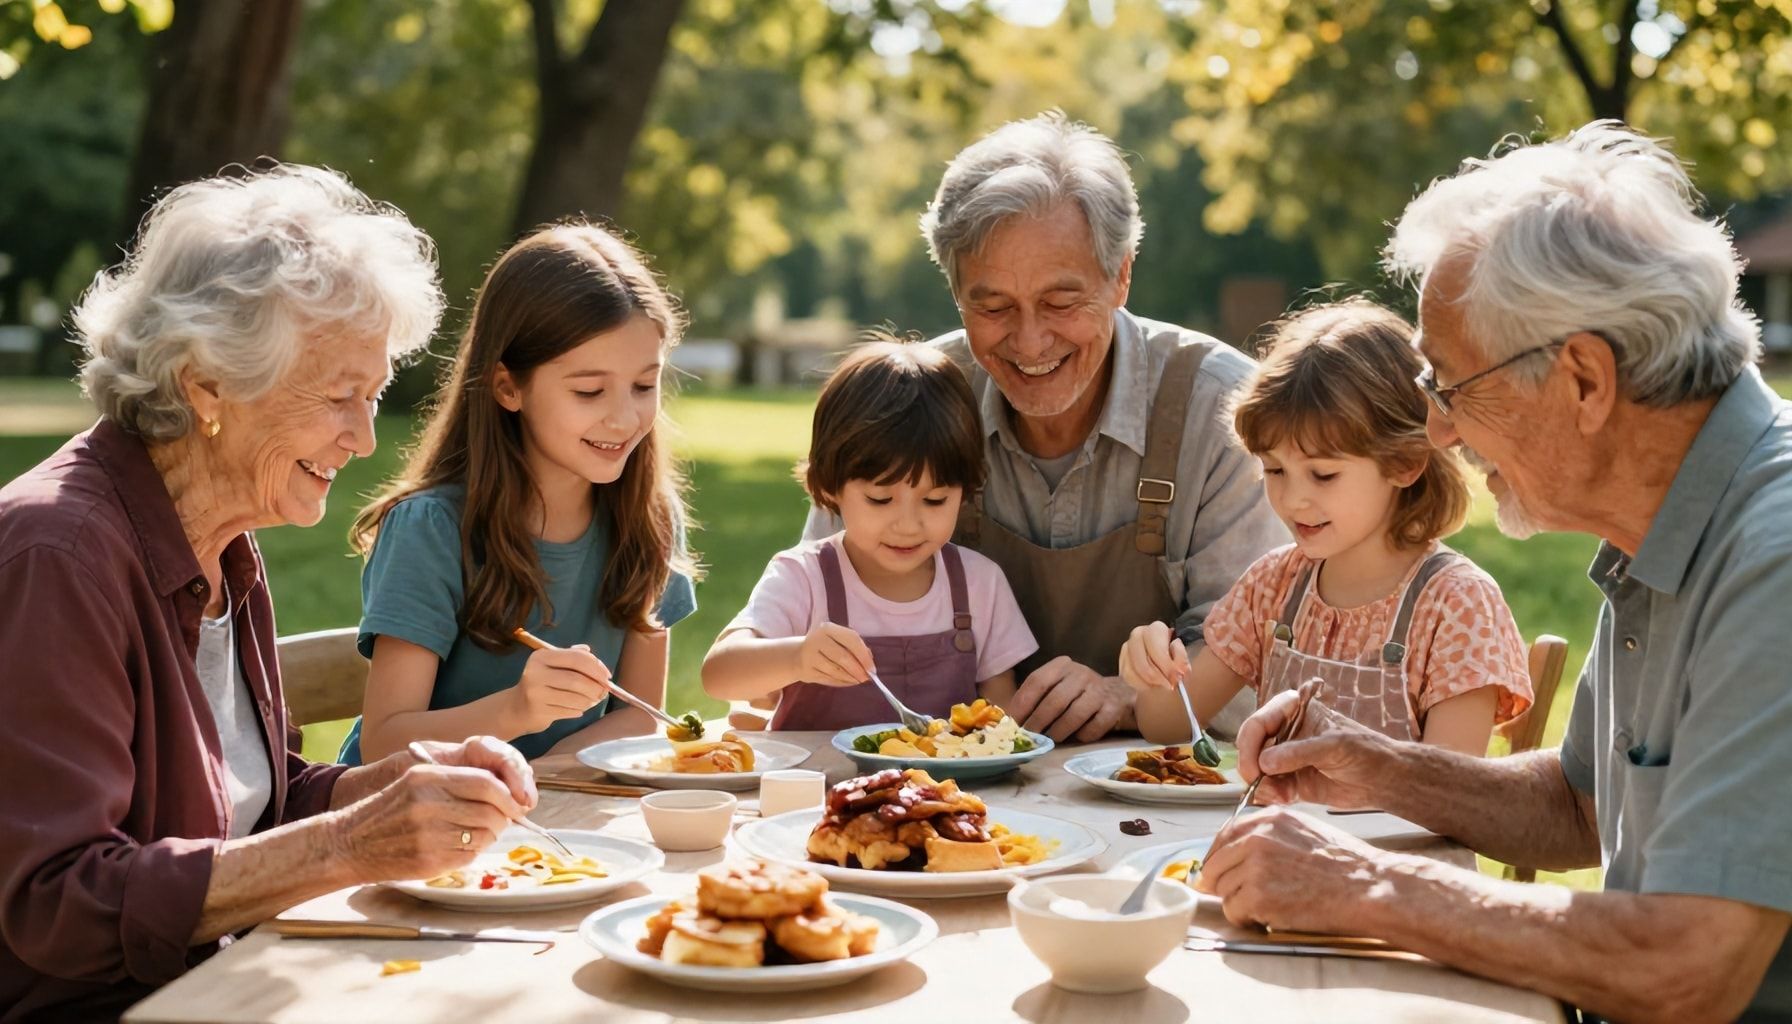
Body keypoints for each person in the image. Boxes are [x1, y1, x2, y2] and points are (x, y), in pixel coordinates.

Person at [1200, 122, 1792, 1022]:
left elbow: (1688, 964)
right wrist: (1381, 768)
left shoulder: (1773, 557)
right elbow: (1576, 809)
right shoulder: (1670, 524)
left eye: (1449, 387)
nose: (1439, 432)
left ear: (1584, 380)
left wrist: (1366, 884)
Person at [0, 165, 539, 1021]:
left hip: (229, 982)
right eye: (339, 397)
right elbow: (57, 903)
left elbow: (252, 803)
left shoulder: (221, 543)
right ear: (206, 385)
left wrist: (400, 785)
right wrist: (349, 845)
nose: (365, 438)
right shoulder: (57, 556)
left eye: (374, 395)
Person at [805, 111, 1286, 743]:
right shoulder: (911, 400)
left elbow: (1259, 661)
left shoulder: (1224, 410)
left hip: (1160, 793)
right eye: (993, 305)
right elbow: (819, 587)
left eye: (1061, 302)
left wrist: (1127, 695)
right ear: (956, 295)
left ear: (1121, 276)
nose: (1030, 341)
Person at [340, 222, 699, 764]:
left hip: (545, 819)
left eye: (645, 386)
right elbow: (384, 743)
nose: (625, 417)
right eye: (589, 390)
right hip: (408, 821)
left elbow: (640, 712)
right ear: (508, 386)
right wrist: (518, 710)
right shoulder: (432, 529)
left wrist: (548, 775)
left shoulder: (648, 519)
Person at [1118, 300, 1532, 754]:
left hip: (1395, 829)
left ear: (1405, 463)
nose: (1293, 499)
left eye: (1323, 475)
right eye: (1275, 471)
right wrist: (1155, 664)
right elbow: (1167, 725)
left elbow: (1450, 789)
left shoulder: (1457, 605)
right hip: (1272, 826)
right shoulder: (1272, 586)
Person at [704, 338, 1037, 731]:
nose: (908, 524)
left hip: (942, 792)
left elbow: (1002, 718)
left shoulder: (980, 584)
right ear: (830, 486)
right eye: (881, 499)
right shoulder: (804, 577)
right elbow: (718, 673)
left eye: (935, 500)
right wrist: (796, 658)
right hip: (823, 789)